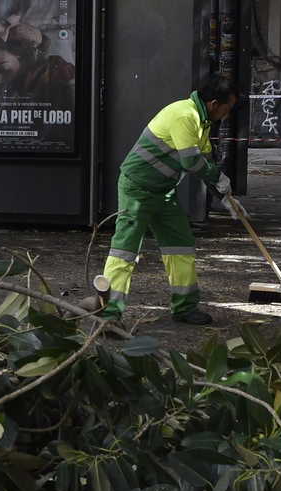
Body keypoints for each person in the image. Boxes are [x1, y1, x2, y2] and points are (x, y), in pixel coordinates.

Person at [100, 75, 237, 326]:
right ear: (214, 103)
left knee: (181, 246)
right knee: (125, 251)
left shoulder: (202, 121)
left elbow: (205, 161)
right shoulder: (185, 116)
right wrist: (218, 177)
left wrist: (224, 197)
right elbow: (192, 162)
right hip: (136, 190)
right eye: (227, 109)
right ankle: (109, 314)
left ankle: (185, 308)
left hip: (164, 192)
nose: (227, 114)